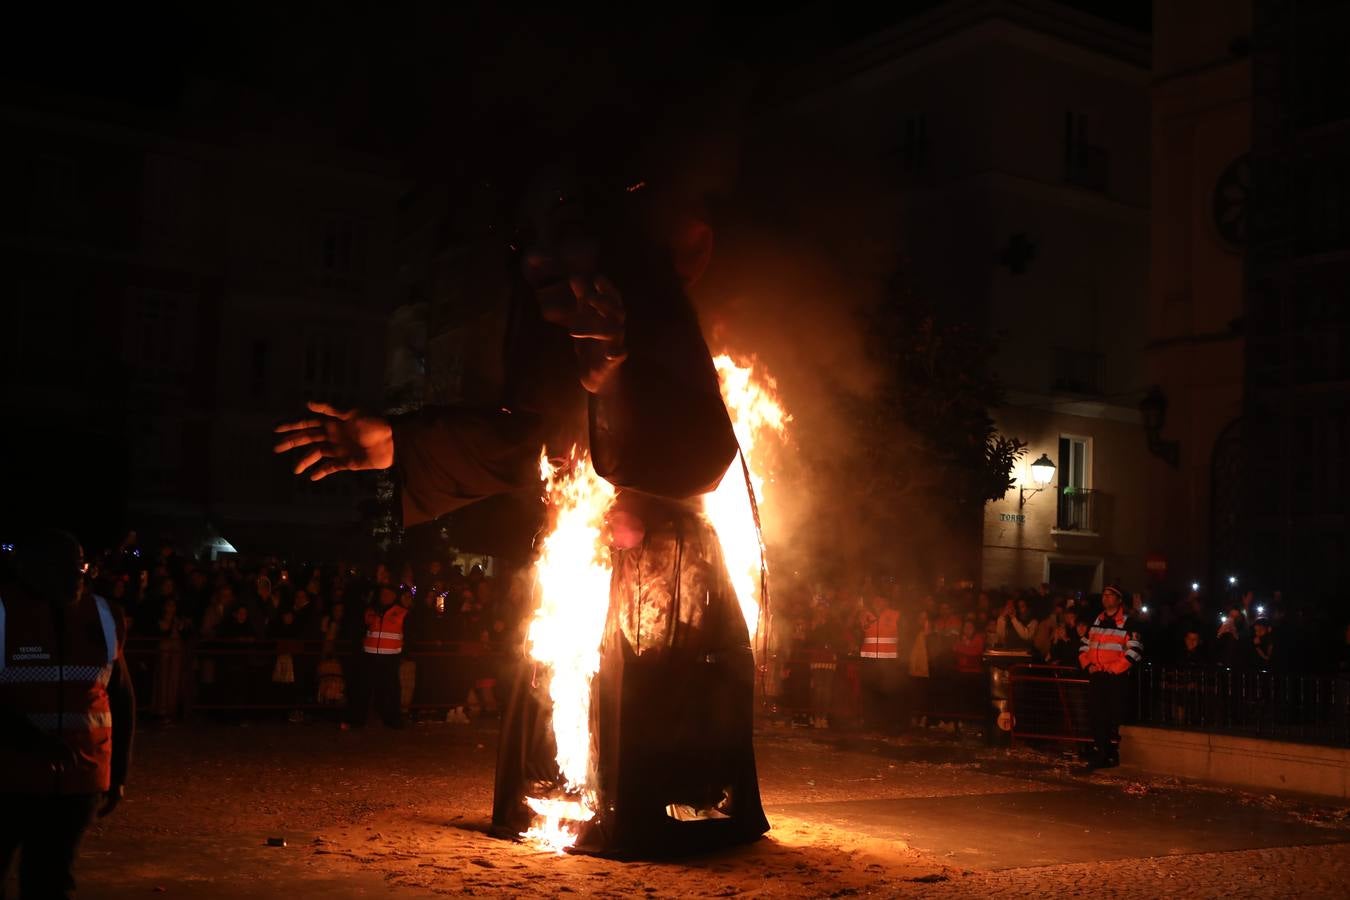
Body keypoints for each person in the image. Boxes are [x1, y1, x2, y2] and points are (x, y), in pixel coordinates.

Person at [273, 161, 767, 855]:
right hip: (589, 574)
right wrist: (400, 444)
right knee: (562, 690)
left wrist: (615, 376)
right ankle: (568, 790)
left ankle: (659, 804)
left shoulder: (670, 347)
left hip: (666, 590)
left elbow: (696, 457)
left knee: (653, 716)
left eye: (563, 234)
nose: (539, 259)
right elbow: (522, 444)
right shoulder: (551, 358)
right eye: (528, 242)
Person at [1, 530, 135, 898]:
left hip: (79, 782)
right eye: (68, 568)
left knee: (51, 881)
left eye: (81, 566)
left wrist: (118, 771)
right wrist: (31, 741)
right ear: (30, 570)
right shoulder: (2, 613)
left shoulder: (104, 615)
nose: (79, 575)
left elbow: (120, 698)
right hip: (9, 780)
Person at [1079, 584, 1142, 770]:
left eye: (1110, 595)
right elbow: (1083, 645)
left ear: (1119, 600)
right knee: (1097, 716)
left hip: (1115, 678)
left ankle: (1111, 753)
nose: (1105, 598)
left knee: (1114, 716)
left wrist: (1114, 669)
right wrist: (1088, 665)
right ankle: (1102, 753)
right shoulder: (1097, 620)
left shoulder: (1128, 623)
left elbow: (1135, 650)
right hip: (1097, 675)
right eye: (1104, 595)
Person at [346, 585, 407, 730]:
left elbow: (409, 635)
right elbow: (361, 630)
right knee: (363, 688)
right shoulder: (370, 611)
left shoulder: (402, 612)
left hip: (391, 657)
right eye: (383, 594)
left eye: (389, 594)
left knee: (391, 690)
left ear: (394, 596)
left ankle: (392, 720)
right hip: (369, 656)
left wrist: (404, 653)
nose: (385, 596)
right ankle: (358, 719)